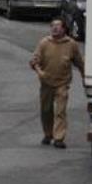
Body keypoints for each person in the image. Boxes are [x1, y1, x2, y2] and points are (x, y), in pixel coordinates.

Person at [30, 18, 85, 149]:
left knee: (60, 111)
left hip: (62, 83)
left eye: (58, 26)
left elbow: (79, 63)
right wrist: (39, 72)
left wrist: (85, 77)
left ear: (64, 29)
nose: (55, 28)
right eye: (52, 26)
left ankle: (59, 137)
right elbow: (34, 61)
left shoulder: (71, 44)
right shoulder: (44, 43)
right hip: (46, 83)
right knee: (46, 110)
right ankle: (48, 134)